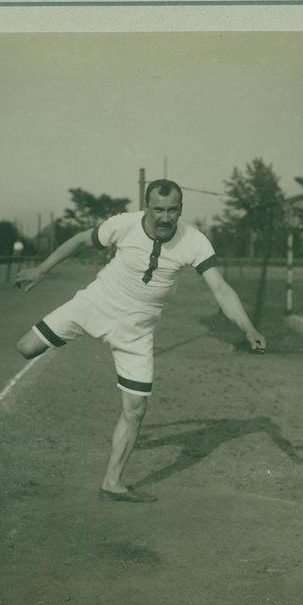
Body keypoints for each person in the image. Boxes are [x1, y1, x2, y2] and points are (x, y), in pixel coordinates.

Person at [14, 179, 266, 502]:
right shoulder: (124, 225)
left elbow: (221, 289)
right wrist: (41, 269)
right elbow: (79, 240)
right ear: (146, 207)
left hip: (137, 330)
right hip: (95, 304)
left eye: (172, 210)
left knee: (135, 409)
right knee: (26, 348)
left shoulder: (195, 241)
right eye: (158, 209)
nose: (165, 217)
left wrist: (249, 329)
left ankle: (112, 483)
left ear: (180, 209)